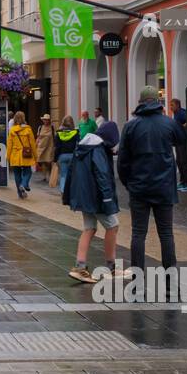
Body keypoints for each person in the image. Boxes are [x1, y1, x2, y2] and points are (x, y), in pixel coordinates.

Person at [116, 86, 183, 272]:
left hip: (139, 188)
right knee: (166, 234)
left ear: (140, 102)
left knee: (138, 234)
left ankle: (137, 283)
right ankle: (170, 283)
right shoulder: (168, 123)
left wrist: (128, 183)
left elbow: (122, 162)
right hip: (164, 188)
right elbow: (181, 140)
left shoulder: (131, 126)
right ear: (157, 102)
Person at [64, 121, 122, 283]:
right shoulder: (98, 150)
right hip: (96, 197)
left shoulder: (82, 147)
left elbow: (71, 173)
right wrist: (108, 198)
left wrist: (68, 196)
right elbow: (102, 175)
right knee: (113, 225)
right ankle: (111, 266)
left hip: (83, 196)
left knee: (89, 228)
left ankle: (80, 267)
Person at [7, 111, 37, 198]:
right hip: (26, 154)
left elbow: (9, 145)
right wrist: (35, 156)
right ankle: (24, 184)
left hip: (15, 154)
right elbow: (32, 144)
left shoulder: (12, 130)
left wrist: (8, 156)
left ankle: (20, 194)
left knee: (17, 174)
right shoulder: (28, 129)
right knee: (28, 171)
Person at [54, 115, 80, 194]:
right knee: (72, 175)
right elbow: (79, 145)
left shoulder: (58, 134)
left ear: (63, 122)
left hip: (62, 156)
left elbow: (57, 147)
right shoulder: (75, 133)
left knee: (63, 175)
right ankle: (71, 192)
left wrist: (55, 159)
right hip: (72, 156)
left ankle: (63, 191)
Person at [170, 99, 187, 192]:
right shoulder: (176, 113)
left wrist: (183, 127)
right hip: (178, 142)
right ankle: (182, 181)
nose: (170, 107)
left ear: (178, 105)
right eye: (170, 105)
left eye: (172, 105)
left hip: (184, 141)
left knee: (184, 162)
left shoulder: (182, 113)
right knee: (179, 161)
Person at [35, 114, 55, 183]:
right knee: (42, 161)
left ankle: (49, 175)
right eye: (45, 119)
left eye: (47, 120)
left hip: (49, 147)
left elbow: (54, 136)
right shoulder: (40, 127)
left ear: (49, 120)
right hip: (41, 147)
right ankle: (44, 176)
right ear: (43, 120)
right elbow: (38, 137)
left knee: (48, 162)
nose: (46, 121)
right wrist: (36, 145)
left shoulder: (52, 127)